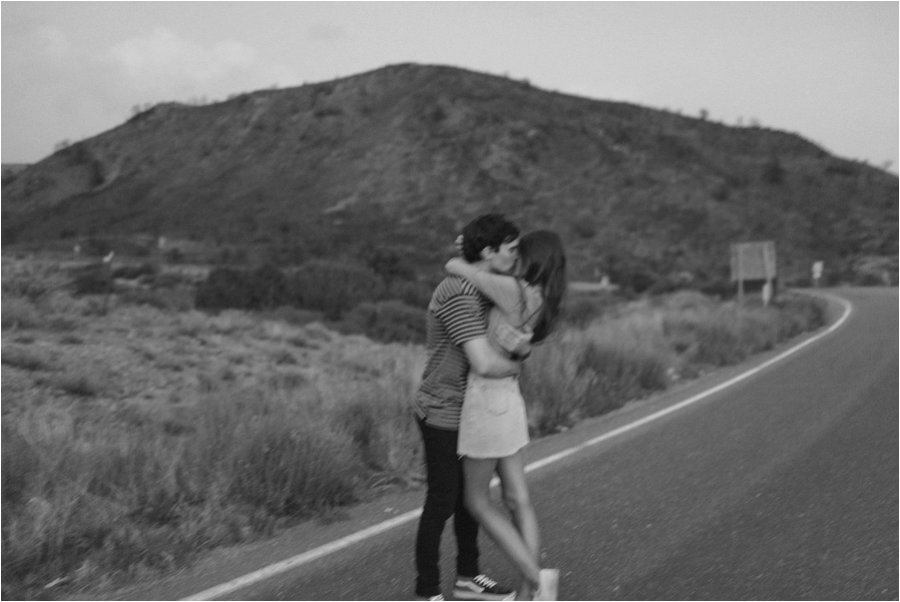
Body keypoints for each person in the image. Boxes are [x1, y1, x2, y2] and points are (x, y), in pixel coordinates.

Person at [444, 230, 567, 601]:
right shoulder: (543, 298)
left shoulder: (512, 288)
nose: (513, 256)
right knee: (518, 498)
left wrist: (461, 252)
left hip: (487, 401)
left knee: (477, 501)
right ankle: (533, 591)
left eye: (518, 250)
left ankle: (535, 576)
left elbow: (459, 270)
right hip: (511, 401)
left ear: (530, 258)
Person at [413, 214, 523, 602]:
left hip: (470, 408)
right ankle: (427, 592)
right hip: (443, 407)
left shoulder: (483, 290)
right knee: (443, 499)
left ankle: (467, 579)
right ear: (489, 251)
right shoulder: (458, 292)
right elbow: (483, 361)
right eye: (511, 248)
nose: (516, 255)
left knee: (470, 498)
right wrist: (516, 366)